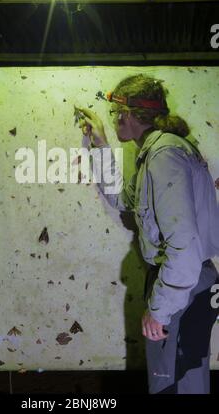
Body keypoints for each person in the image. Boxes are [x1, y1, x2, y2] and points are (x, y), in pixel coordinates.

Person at [76, 74, 219, 394]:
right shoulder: (159, 153)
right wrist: (101, 145)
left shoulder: (164, 156)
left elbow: (183, 244)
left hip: (183, 286)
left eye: (114, 115)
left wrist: (160, 309)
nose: (113, 121)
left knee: (172, 385)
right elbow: (123, 199)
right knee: (186, 380)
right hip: (188, 283)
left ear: (127, 114)